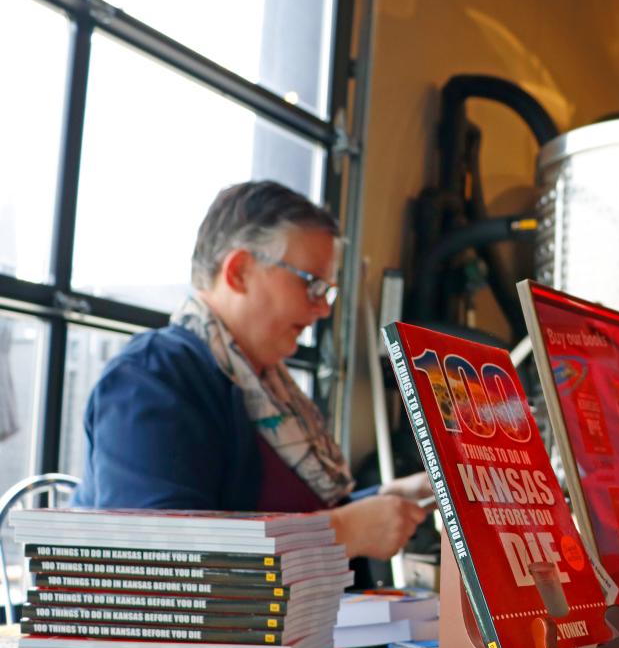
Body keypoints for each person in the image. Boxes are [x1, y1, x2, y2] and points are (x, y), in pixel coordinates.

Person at [72, 180, 432, 560]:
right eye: (311, 284)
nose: (324, 309)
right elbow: (159, 557)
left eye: (327, 291)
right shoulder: (150, 379)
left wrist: (384, 501)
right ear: (239, 271)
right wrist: (342, 532)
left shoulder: (267, 387)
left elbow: (289, 516)